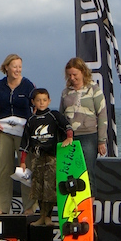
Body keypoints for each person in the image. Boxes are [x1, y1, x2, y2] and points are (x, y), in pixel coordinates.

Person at [19, 88, 73, 226]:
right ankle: (41, 216)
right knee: (38, 188)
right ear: (33, 102)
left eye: (44, 100)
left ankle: (48, 216)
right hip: (37, 157)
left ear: (49, 101)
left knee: (50, 188)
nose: (41, 103)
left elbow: (67, 126)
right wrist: (23, 162)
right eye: (38, 100)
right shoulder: (31, 120)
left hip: (52, 157)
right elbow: (25, 143)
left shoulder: (54, 115)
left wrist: (69, 138)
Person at [0, 54, 36, 215]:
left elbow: (35, 106)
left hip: (23, 133)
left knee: (25, 167)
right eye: (14, 66)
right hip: (4, 131)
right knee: (3, 167)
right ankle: (1, 207)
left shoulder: (28, 85)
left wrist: (32, 124)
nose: (17, 69)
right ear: (7, 67)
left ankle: (29, 207)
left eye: (19, 67)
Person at [59, 57, 107, 196]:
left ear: (82, 72)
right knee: (71, 171)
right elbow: (61, 116)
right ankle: (73, 206)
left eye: (75, 74)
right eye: (69, 75)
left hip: (89, 135)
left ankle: (89, 207)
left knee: (87, 171)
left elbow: (102, 115)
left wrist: (101, 141)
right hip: (69, 136)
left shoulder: (94, 89)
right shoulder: (65, 92)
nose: (72, 78)